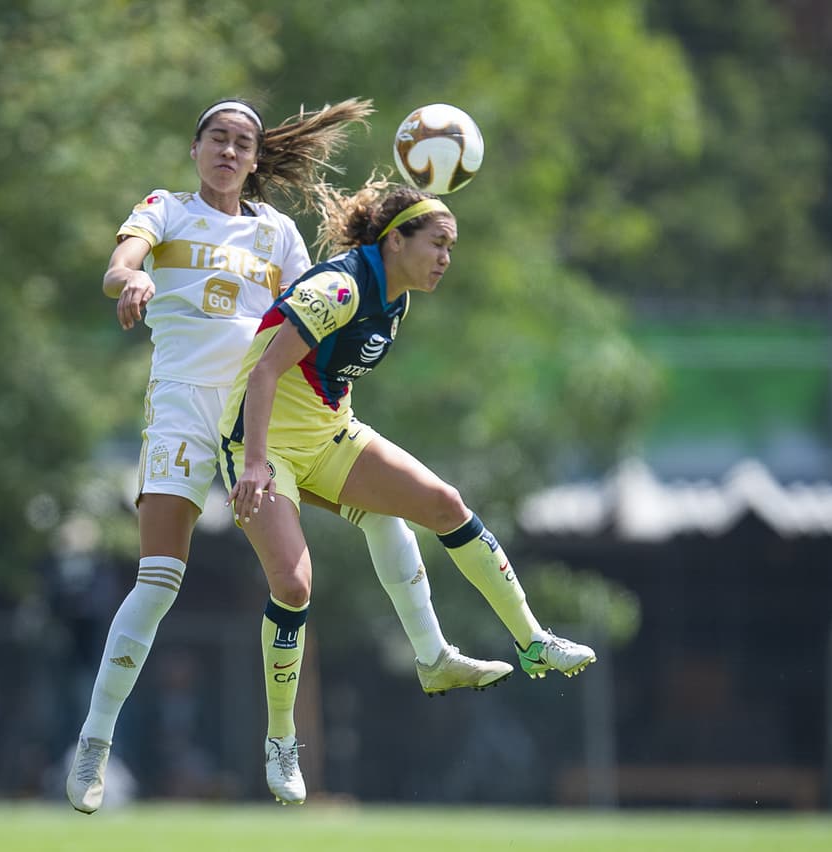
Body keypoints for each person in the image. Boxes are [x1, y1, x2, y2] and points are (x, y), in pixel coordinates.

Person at [67, 99, 512, 813]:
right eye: (218, 137)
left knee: (378, 511)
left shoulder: (275, 233)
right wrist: (135, 280)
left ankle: (431, 655)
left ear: (254, 157)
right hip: (185, 406)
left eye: (243, 142)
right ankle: (95, 742)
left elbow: (308, 316)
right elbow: (119, 266)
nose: (230, 151)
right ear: (196, 147)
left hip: (263, 418)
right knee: (157, 581)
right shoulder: (166, 209)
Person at [219, 180, 597, 805]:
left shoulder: (397, 297)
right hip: (260, 446)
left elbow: (329, 379)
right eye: (438, 243)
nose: (446, 257)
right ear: (395, 241)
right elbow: (264, 371)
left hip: (327, 435)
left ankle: (532, 642)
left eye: (452, 246)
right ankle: (281, 742)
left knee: (445, 504)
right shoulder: (338, 287)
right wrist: (256, 462)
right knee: (293, 584)